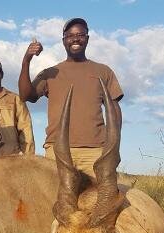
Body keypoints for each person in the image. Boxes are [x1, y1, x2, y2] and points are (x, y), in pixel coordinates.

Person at [18, 17, 123, 178]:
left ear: (87, 38)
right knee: (57, 200)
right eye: (70, 35)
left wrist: (113, 148)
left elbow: (114, 109)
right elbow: (26, 96)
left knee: (100, 200)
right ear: (63, 40)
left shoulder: (103, 71)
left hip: (95, 151)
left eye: (80, 35)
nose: (75, 39)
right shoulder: (51, 73)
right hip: (58, 150)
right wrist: (26, 60)